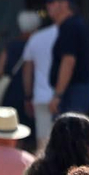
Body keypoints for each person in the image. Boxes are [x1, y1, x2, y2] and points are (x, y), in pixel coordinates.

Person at [46, 0, 89, 120]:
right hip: (81, 91)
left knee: (68, 130)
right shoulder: (80, 24)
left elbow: (68, 61)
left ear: (65, 4)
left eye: (52, 2)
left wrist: (58, 95)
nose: (48, 6)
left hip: (72, 93)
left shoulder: (69, 26)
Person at [0, 10, 42, 133]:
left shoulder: (11, 45)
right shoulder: (38, 45)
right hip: (32, 94)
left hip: (11, 93)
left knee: (11, 132)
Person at [21, 16, 60, 149]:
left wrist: (28, 96)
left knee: (43, 143)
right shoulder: (70, 35)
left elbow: (27, 71)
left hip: (41, 96)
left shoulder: (35, 38)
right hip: (64, 96)